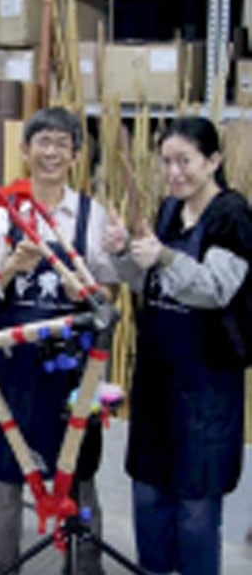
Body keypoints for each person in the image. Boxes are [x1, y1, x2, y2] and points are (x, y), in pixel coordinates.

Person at [0, 107, 119, 575]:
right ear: (24, 149)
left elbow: (109, 295)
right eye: (43, 142)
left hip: (71, 367)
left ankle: (86, 564)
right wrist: (12, 265)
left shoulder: (92, 216)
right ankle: (1, 563)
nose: (51, 152)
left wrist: (89, 291)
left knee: (81, 473)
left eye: (62, 143)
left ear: (75, 154)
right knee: (7, 473)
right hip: (9, 366)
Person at [103, 116, 252, 575]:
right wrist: (123, 252)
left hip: (205, 383)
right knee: (148, 492)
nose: (174, 172)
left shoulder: (231, 215)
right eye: (166, 161)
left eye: (184, 160)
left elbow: (214, 288)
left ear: (213, 161)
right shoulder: (170, 210)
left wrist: (164, 256)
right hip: (156, 377)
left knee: (194, 503)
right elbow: (150, 285)